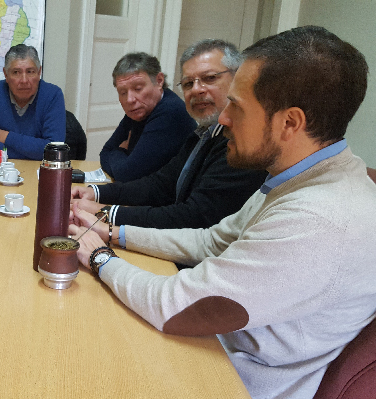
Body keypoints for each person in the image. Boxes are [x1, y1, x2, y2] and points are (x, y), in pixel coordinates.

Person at [69, 26, 376, 399]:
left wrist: (99, 257)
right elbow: (212, 239)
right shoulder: (300, 175)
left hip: (232, 378)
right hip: (216, 345)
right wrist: (113, 234)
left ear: (289, 123)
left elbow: (176, 306)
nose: (224, 117)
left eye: (238, 106)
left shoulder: (317, 220)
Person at [72, 40, 266, 230]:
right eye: (189, 83)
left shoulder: (242, 142)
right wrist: (95, 192)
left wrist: (105, 212)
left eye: (210, 78)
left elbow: (193, 217)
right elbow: (160, 185)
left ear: (237, 80)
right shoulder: (204, 133)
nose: (197, 89)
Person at [99, 52, 196, 182]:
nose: (130, 99)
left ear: (159, 81)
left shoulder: (171, 111)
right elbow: (105, 152)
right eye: (123, 92)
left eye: (138, 88)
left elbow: (127, 174)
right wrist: (123, 156)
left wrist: (118, 152)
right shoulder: (139, 108)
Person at [0, 44, 65, 160]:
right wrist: (34, 151)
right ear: (6, 74)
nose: (24, 80)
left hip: (38, 172)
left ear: (39, 72)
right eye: (16, 72)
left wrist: (7, 137)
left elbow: (54, 152)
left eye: (30, 72)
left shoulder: (53, 95)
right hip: (0, 172)